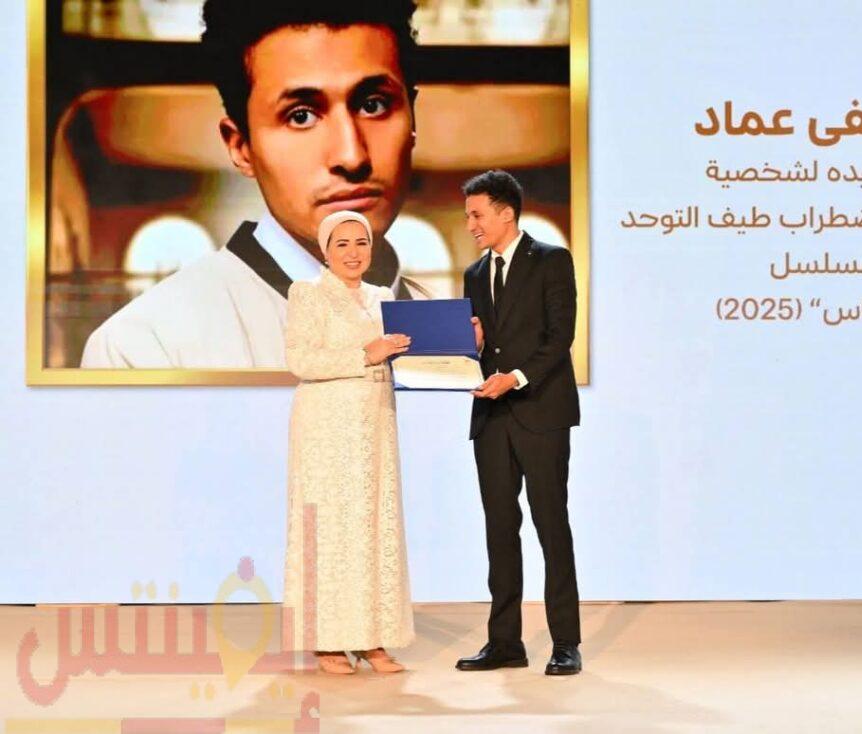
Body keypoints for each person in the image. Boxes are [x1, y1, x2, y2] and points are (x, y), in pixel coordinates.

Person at [80, 0, 429, 368]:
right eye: (301, 116)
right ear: (241, 147)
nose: (351, 155)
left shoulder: (452, 332)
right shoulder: (146, 348)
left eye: (373, 105)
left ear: (412, 116)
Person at [455, 170, 582, 676]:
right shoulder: (473, 274)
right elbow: (484, 346)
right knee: (500, 530)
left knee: (551, 526)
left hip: (541, 413)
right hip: (492, 418)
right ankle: (504, 641)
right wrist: (474, 347)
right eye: (468, 215)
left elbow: (560, 336)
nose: (470, 224)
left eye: (477, 214)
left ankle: (565, 642)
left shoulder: (552, 260)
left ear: (506, 213)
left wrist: (517, 377)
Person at [282, 210, 414, 674]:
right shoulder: (308, 293)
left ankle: (372, 638)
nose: (353, 252)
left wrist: (460, 342)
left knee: (373, 526)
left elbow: (408, 354)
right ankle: (328, 642)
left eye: (361, 243)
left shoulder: (383, 297)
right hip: (326, 426)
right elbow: (300, 360)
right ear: (325, 250)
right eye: (342, 244)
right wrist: (365, 353)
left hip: (375, 423)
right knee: (330, 528)